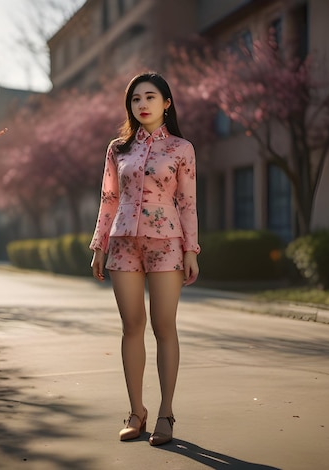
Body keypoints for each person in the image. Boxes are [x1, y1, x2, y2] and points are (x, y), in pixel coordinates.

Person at [90, 72, 200, 446]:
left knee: (164, 326)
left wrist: (191, 250)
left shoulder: (182, 149)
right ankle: (137, 412)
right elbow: (109, 199)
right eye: (135, 99)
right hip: (123, 243)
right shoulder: (117, 149)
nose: (142, 104)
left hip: (167, 242)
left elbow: (187, 203)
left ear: (167, 104)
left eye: (150, 97)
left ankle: (166, 412)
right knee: (131, 326)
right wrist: (99, 246)